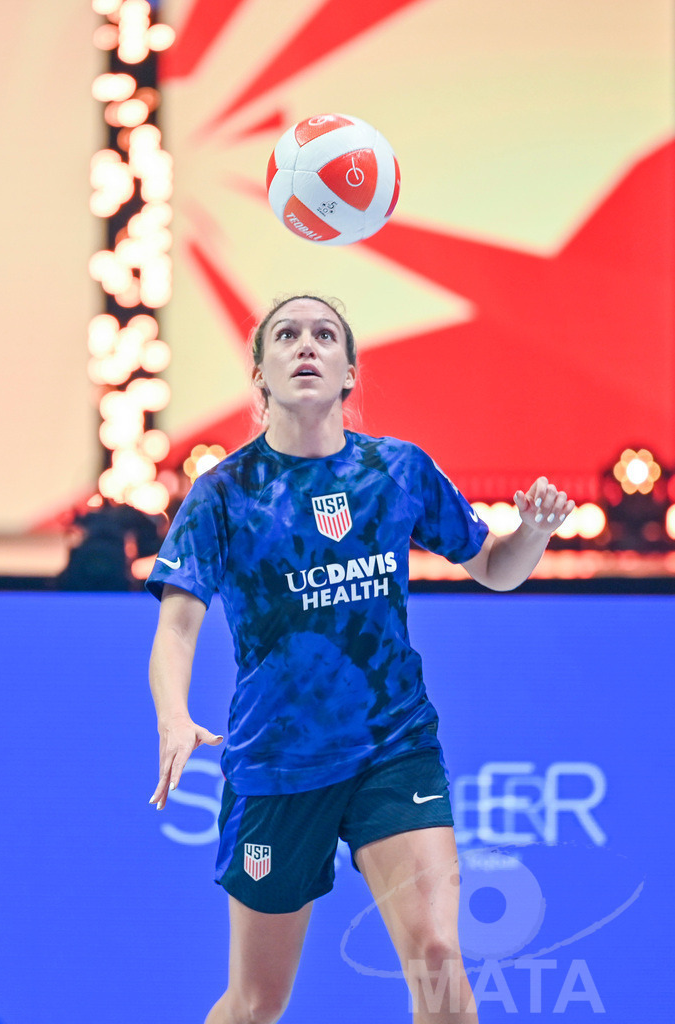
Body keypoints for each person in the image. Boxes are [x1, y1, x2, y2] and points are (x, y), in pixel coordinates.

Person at [146, 295, 574, 1024]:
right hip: (278, 766)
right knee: (255, 1003)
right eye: (286, 334)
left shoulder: (396, 471)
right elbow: (177, 627)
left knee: (438, 958)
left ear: (349, 372)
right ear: (259, 375)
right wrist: (174, 717)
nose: (305, 345)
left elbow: (494, 568)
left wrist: (530, 533)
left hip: (393, 749)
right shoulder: (223, 495)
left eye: (323, 335)